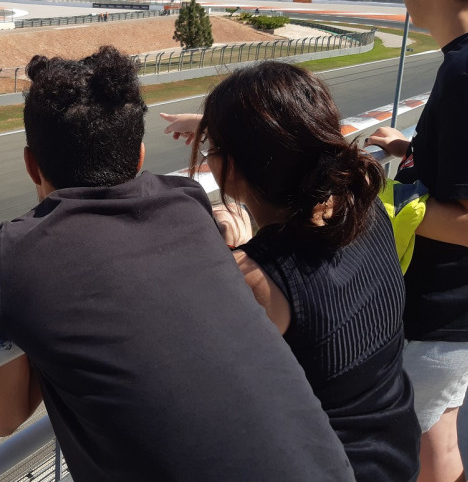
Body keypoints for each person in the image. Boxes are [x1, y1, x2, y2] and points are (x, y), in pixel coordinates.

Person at [0, 46, 356, 481]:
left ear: (32, 165)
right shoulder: (188, 202)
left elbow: (2, 417)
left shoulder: (1, 258)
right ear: (140, 155)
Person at [163, 61, 421, 481]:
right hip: (397, 448)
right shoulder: (363, 202)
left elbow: (189, 402)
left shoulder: (255, 278)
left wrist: (237, 250)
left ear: (228, 166)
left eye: (212, 147)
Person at [366, 0, 468, 482]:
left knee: (425, 454)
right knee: (437, 447)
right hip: (451, 309)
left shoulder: (462, 73)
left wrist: (379, 202)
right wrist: (412, 145)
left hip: (440, 308)